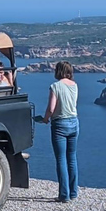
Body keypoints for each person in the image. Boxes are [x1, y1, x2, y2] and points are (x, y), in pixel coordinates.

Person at [42, 61, 79, 203]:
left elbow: (51, 109)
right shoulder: (74, 86)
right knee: (72, 158)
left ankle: (64, 195)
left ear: (58, 71)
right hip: (74, 122)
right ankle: (73, 192)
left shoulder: (55, 87)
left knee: (61, 159)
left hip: (60, 125)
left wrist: (45, 119)